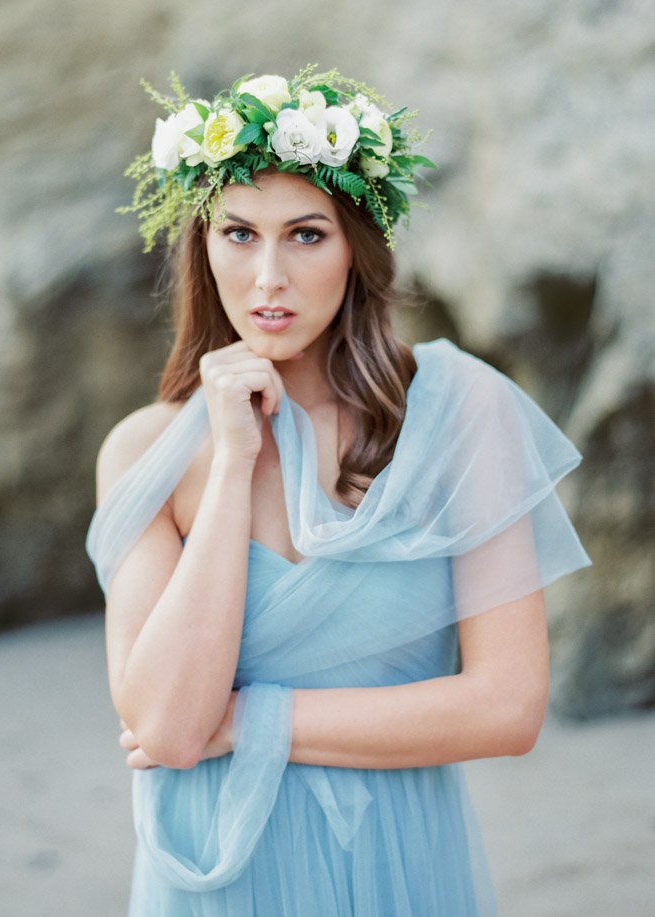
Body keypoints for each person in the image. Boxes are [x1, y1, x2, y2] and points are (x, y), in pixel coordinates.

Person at [87, 69, 591, 916]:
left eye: (307, 235)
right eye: (239, 232)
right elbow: (171, 728)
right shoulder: (145, 451)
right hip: (219, 872)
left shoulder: (462, 413)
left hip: (397, 863)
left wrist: (248, 724)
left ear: (359, 244)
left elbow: (508, 706)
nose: (269, 276)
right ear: (201, 244)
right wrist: (231, 458)